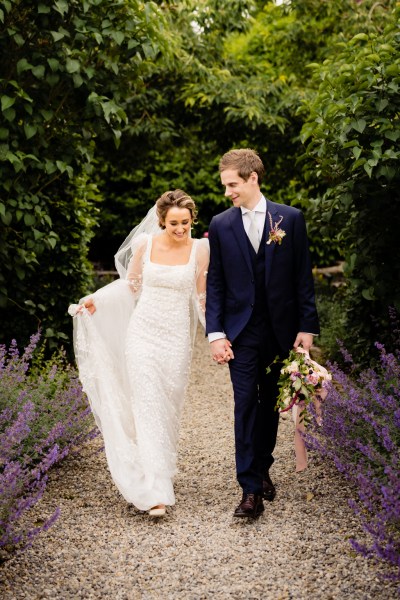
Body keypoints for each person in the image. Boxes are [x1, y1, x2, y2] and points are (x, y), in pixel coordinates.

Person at [68, 190, 209, 517]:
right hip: (142, 334)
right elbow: (130, 287)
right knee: (147, 405)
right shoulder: (145, 244)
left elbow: (202, 299)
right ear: (161, 220)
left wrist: (219, 335)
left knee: (166, 406)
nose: (180, 229)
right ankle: (153, 491)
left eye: (185, 223)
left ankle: (158, 469)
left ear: (192, 220)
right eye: (173, 223)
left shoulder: (200, 250)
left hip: (176, 341)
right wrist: (97, 301)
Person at [206, 149, 319, 518]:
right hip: (240, 332)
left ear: (253, 178)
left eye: (232, 184)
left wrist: (306, 327)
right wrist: (215, 334)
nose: (227, 192)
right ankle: (250, 489)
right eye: (225, 186)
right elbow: (217, 284)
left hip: (280, 332)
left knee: (270, 403)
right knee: (244, 404)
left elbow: (303, 278)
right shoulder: (221, 225)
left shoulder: (290, 219)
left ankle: (263, 465)